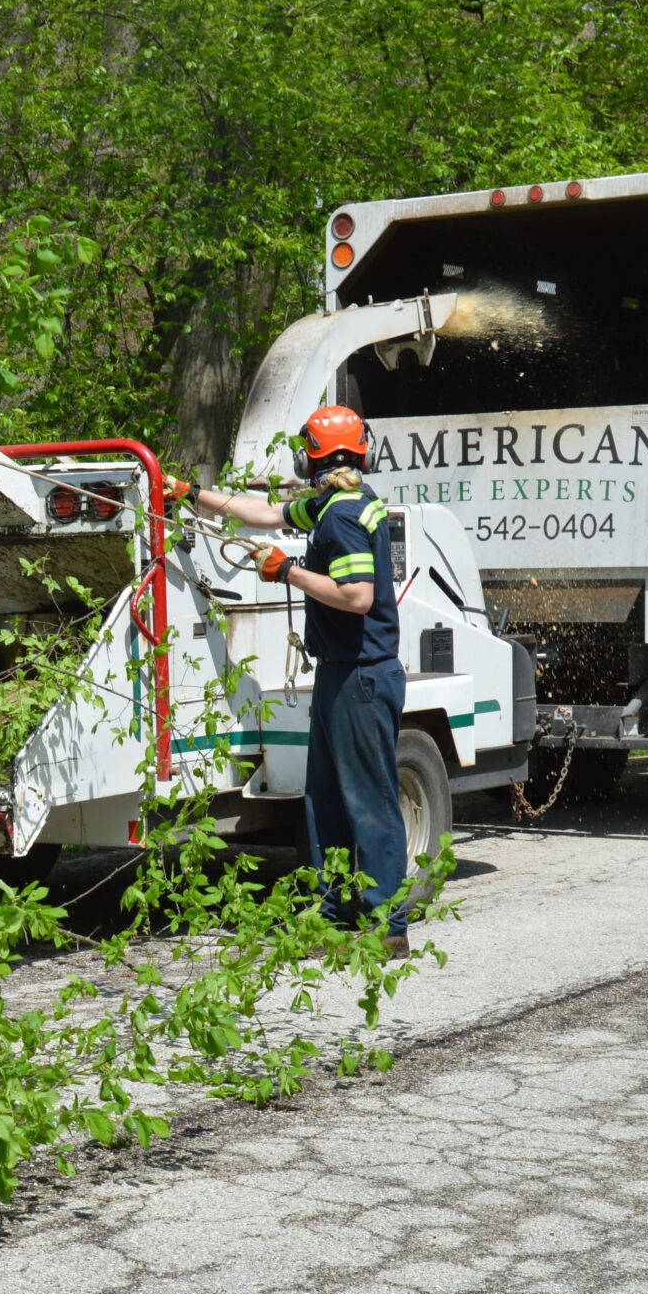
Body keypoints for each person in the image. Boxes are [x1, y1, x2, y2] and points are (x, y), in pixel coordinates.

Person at [165, 406, 409, 954]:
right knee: (324, 797)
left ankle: (386, 924)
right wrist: (188, 493)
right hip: (341, 674)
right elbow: (264, 513)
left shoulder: (343, 516)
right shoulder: (334, 503)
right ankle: (333, 912)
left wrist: (287, 571)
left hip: (362, 677)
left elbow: (357, 597)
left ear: (310, 456)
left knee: (368, 800)